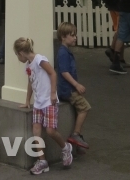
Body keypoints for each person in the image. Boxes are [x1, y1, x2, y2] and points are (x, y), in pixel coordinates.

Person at [14, 37, 73, 174]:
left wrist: (53, 93)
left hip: (48, 101)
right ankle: (42, 161)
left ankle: (65, 148)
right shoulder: (28, 66)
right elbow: (31, 82)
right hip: (38, 103)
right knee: (36, 131)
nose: (18, 58)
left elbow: (53, 73)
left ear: (21, 53)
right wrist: (28, 100)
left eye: (17, 55)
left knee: (51, 131)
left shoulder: (40, 59)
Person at [56, 22, 90, 151]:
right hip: (68, 89)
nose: (75, 37)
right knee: (84, 108)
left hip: (68, 88)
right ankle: (76, 134)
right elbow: (64, 72)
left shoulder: (65, 52)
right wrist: (76, 85)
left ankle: (78, 141)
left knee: (78, 110)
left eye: (75, 35)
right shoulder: (63, 53)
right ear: (63, 37)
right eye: (72, 35)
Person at [100, 0, 128, 68]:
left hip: (111, 5)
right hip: (119, 6)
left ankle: (121, 58)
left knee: (118, 29)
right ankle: (113, 50)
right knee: (122, 31)